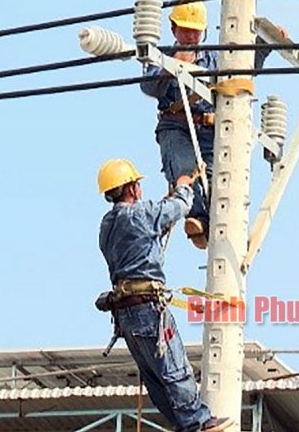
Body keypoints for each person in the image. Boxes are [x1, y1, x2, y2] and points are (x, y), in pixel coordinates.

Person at [97, 158, 232, 432]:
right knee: (173, 368)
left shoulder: (107, 226)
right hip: (147, 309)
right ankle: (198, 423)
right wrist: (183, 186)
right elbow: (180, 207)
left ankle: (183, 425)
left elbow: (144, 231)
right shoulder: (140, 215)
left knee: (154, 377)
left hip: (125, 315)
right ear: (132, 188)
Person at [140, 2, 284, 249]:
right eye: (185, 30)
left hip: (211, 132)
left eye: (195, 31)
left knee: (219, 183)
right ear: (173, 29)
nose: (191, 36)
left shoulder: (216, 57)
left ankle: (205, 224)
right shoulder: (162, 55)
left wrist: (266, 45)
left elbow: (243, 72)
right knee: (185, 171)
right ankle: (197, 220)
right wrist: (172, 67)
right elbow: (149, 87)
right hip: (176, 128)